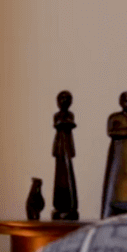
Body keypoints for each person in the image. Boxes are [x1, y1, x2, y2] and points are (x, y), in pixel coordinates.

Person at [51, 91, 79, 220]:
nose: (64, 101)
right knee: (59, 173)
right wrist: (65, 124)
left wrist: (64, 124)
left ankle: (71, 204)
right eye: (61, 98)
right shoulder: (57, 115)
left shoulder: (70, 114)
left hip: (67, 146)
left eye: (67, 98)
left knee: (68, 173)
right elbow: (59, 124)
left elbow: (68, 124)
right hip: (60, 146)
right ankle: (59, 204)